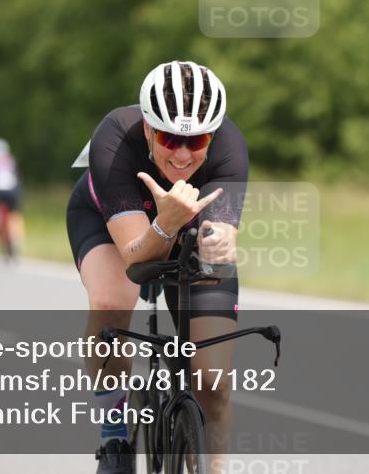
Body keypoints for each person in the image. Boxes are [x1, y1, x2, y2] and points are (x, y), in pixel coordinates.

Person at [66, 60, 247, 474]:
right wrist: (165, 222)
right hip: (110, 221)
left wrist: (219, 242)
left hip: (185, 227)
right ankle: (114, 436)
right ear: (148, 128)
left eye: (196, 140)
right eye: (169, 138)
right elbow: (135, 257)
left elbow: (222, 232)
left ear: (213, 135)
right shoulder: (114, 136)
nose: (182, 154)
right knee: (111, 302)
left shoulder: (230, 145)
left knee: (214, 382)